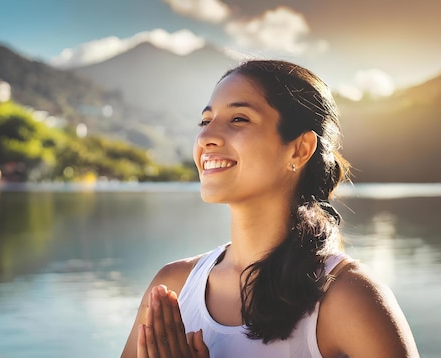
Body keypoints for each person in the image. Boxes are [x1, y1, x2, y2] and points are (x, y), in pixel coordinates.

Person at [121, 60, 420, 358]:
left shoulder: (350, 299)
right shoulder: (172, 288)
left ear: (300, 149)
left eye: (239, 119)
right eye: (205, 121)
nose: (206, 137)